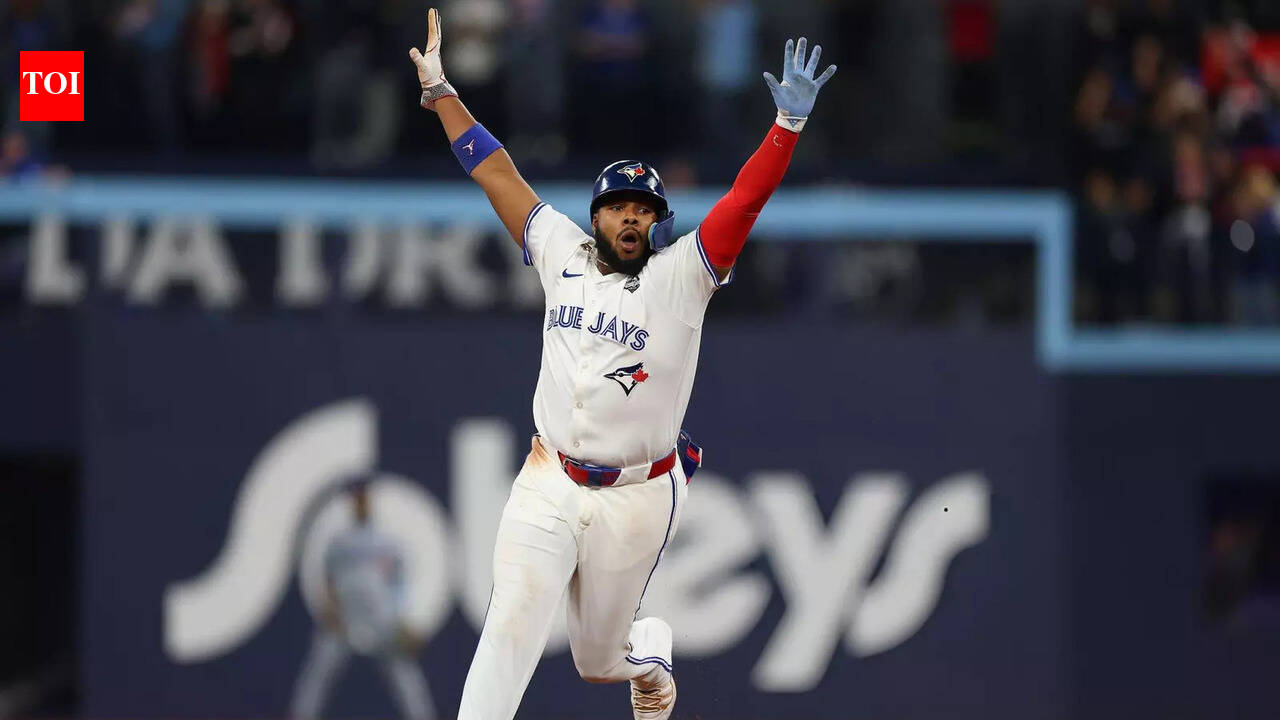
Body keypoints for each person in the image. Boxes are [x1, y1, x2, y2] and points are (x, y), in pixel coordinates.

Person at [408, 8, 834, 719]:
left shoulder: (682, 278)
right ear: (597, 215)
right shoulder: (561, 250)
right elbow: (495, 170)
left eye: (644, 208)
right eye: (618, 207)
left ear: (659, 223)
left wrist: (785, 130)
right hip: (549, 479)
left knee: (598, 660)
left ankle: (649, 653)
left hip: (638, 494)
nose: (631, 218)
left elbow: (744, 201)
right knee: (510, 622)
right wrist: (442, 92)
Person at [289, 479, 435, 720]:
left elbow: (401, 583)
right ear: (351, 504)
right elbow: (328, 579)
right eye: (356, 499)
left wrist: (401, 620)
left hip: (382, 621)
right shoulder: (339, 542)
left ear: (370, 502)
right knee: (319, 673)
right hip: (345, 619)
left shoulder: (387, 542)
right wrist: (331, 607)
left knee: (405, 678)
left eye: (363, 498)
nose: (360, 504)